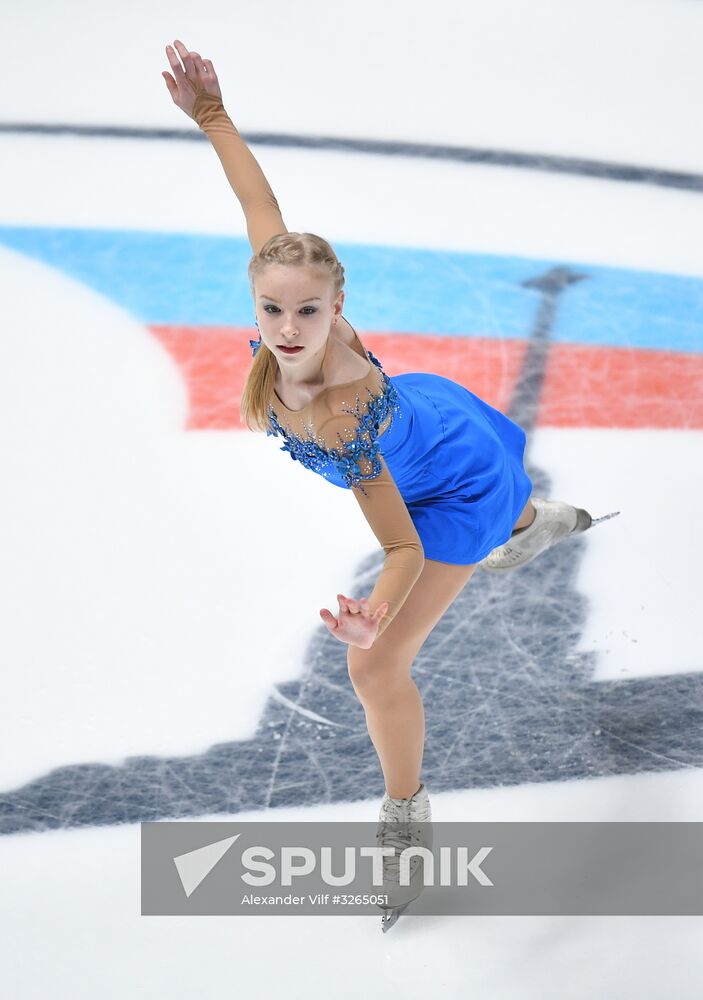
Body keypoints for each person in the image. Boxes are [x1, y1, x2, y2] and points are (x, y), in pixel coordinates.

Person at [162, 39, 601, 926]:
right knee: (509, 507)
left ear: (338, 306)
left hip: (441, 485)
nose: (287, 328)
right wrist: (212, 117)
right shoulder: (287, 300)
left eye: (309, 312)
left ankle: (405, 824)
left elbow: (400, 541)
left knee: (377, 668)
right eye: (272, 308)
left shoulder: (339, 416)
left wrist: (372, 618)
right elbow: (263, 208)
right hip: (435, 426)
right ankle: (531, 520)